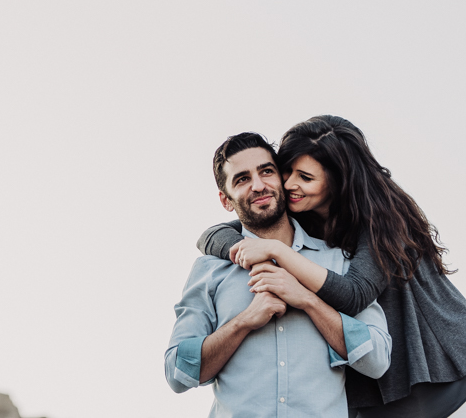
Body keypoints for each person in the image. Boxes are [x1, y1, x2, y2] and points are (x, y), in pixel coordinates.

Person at [198, 115, 466, 418]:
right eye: (287, 172)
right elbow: (213, 235)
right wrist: (244, 252)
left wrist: (275, 252)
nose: (289, 184)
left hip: (432, 367)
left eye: (306, 178)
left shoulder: (382, 218)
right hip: (367, 379)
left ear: (337, 182)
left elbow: (354, 294)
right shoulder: (303, 212)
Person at [166, 132, 391, 417]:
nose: (258, 185)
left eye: (266, 171)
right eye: (242, 179)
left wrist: (308, 300)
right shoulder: (209, 269)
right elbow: (177, 373)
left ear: (282, 180)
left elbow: (377, 360)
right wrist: (244, 322)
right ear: (225, 200)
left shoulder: (338, 261)